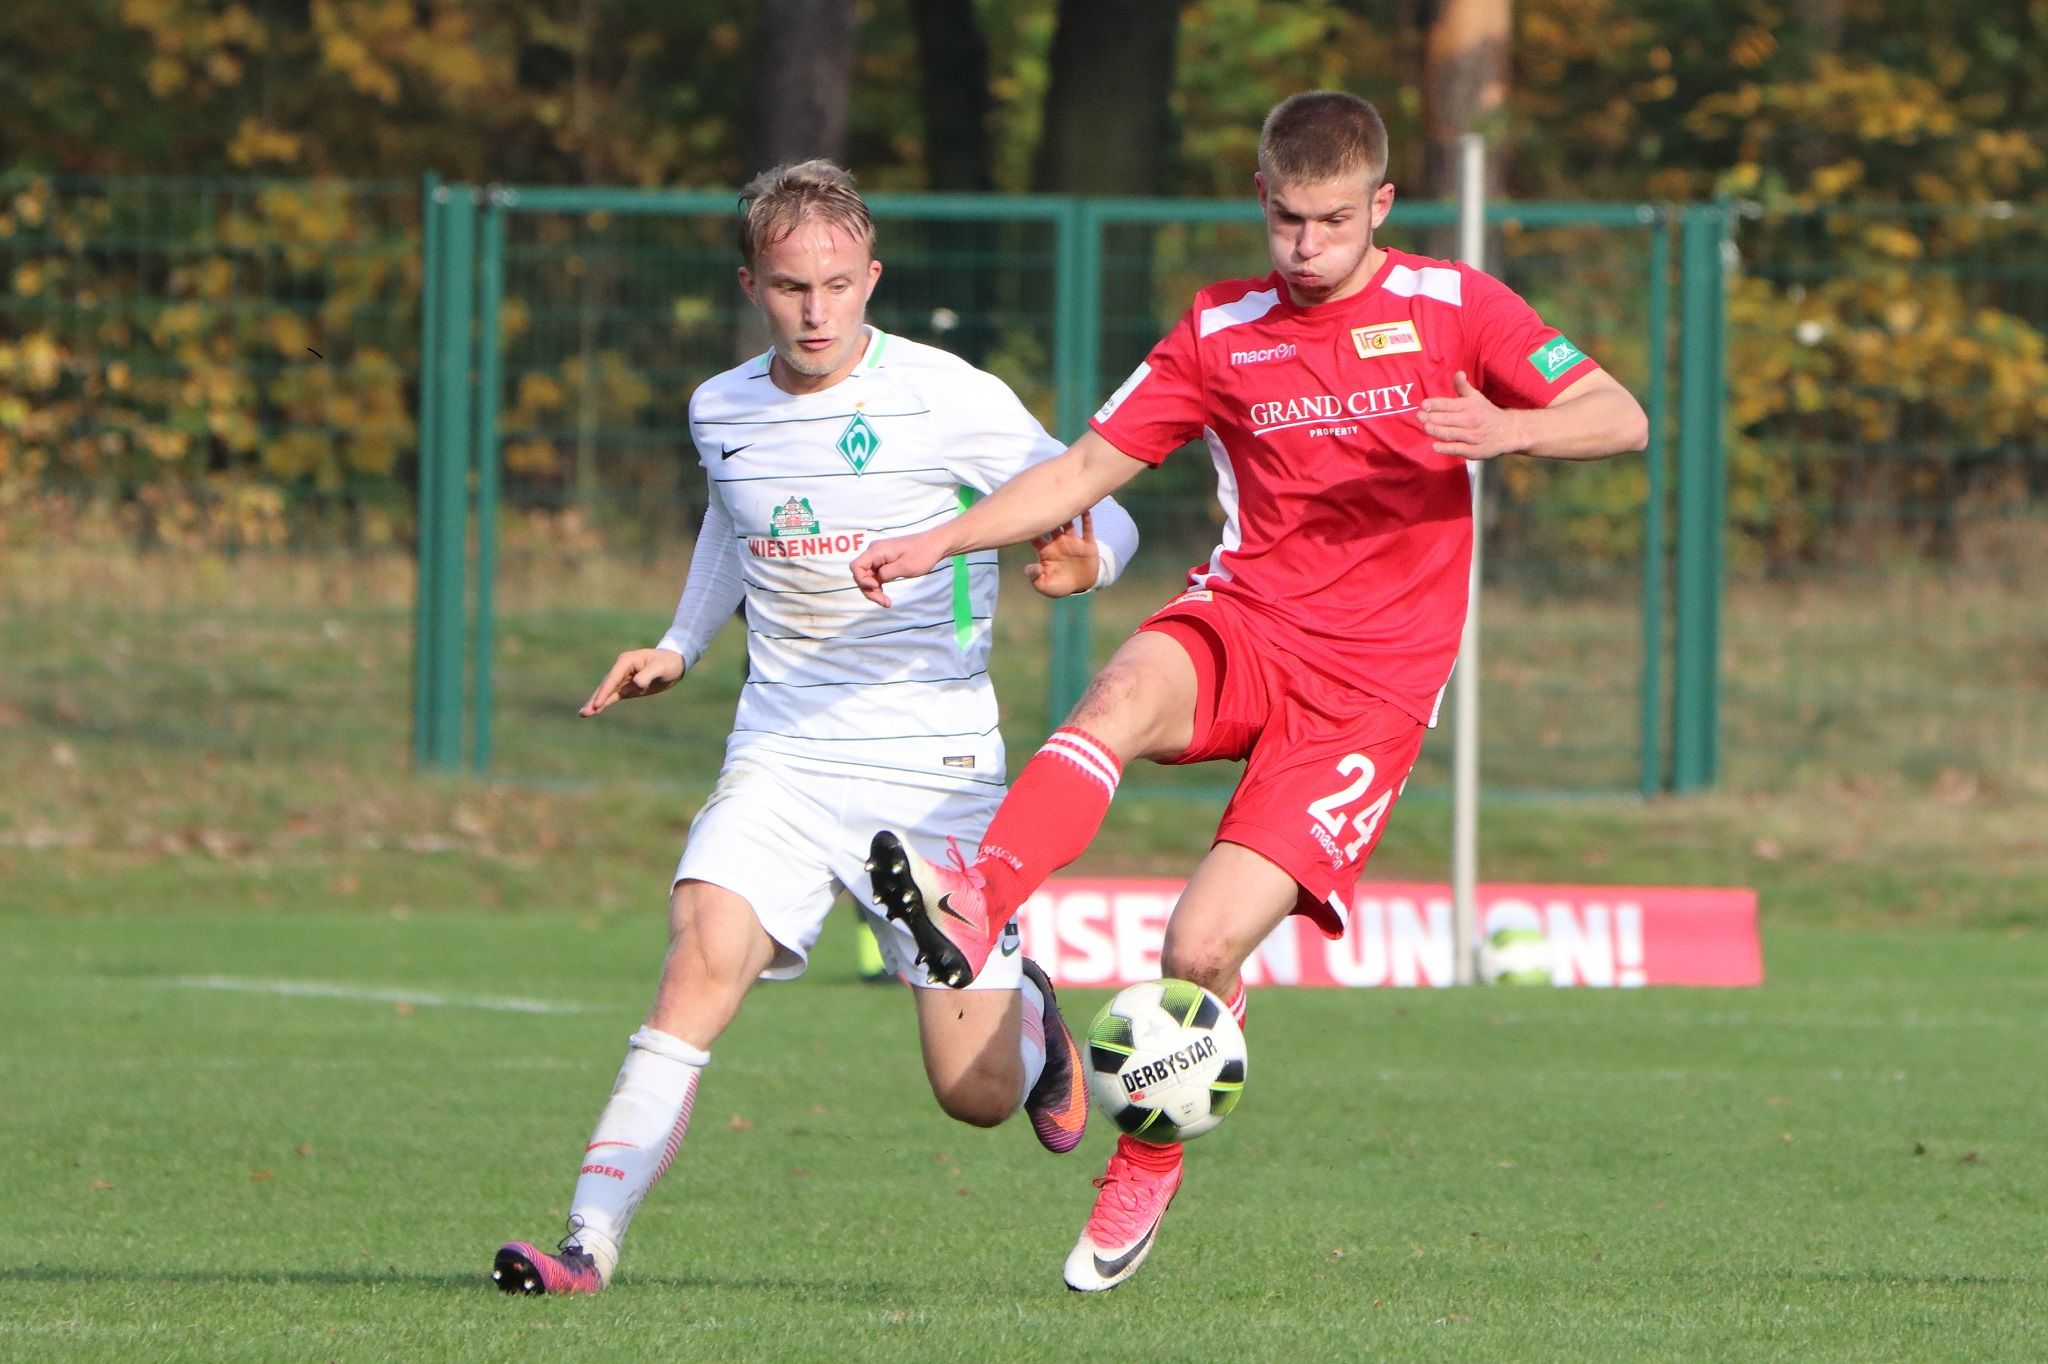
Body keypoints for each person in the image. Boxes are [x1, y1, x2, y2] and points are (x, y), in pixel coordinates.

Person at [852, 91, 1648, 1292]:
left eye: (1331, 221)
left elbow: (1618, 415)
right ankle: (975, 902)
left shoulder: (1453, 307)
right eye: (1284, 220)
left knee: (1199, 941)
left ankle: (1147, 1157)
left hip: (1369, 692)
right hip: (1246, 619)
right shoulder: (1221, 326)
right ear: (1259, 205)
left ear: (1380, 205)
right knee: (1118, 688)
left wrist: (1507, 429)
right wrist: (938, 541)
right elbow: (1079, 466)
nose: (1304, 245)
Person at [492, 159, 1141, 1295]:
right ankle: (585, 1242)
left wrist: (1089, 559)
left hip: (933, 762)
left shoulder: (948, 396)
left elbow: (1104, 500)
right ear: (753, 284)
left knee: (971, 1093)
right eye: (791, 286)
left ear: (870, 276)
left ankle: (1030, 1021)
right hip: (781, 751)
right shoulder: (720, 405)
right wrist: (680, 646)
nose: (815, 310)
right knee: (696, 957)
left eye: (838, 284)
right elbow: (729, 525)